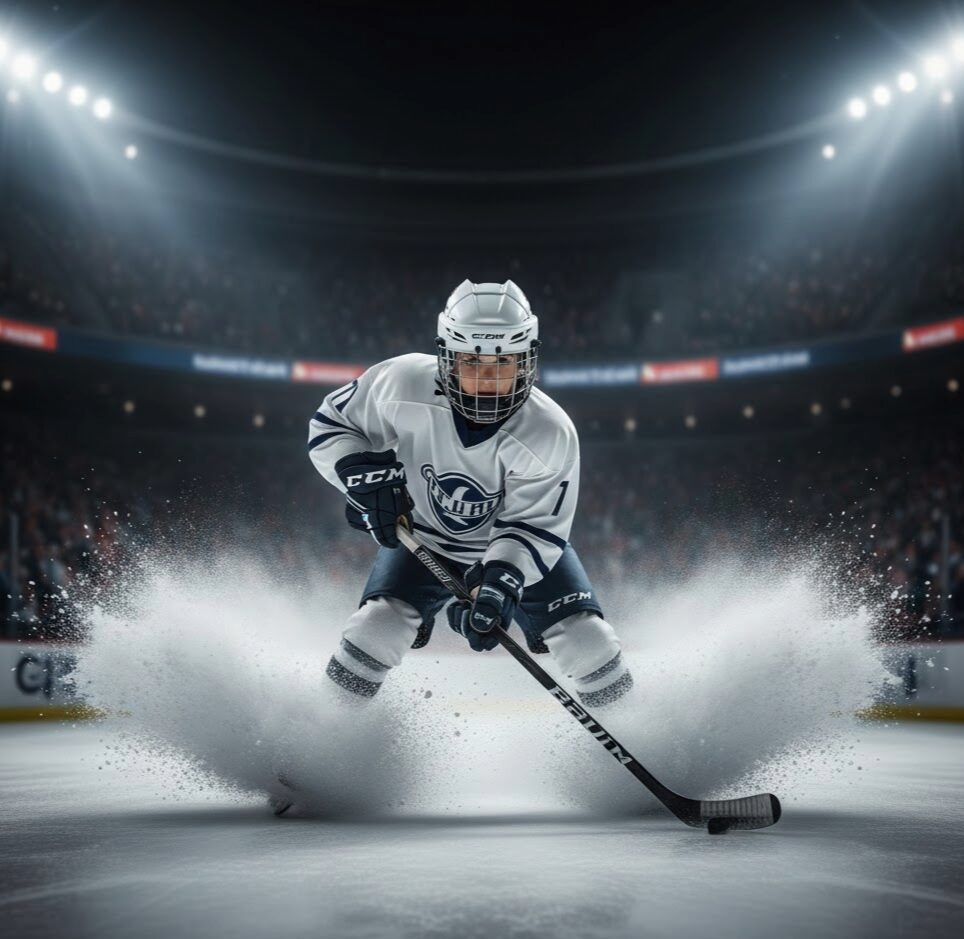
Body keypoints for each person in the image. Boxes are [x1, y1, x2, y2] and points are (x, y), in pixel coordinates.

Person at [308, 279, 633, 708]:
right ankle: (319, 735)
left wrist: (499, 583)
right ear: (445, 356)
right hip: (422, 538)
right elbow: (332, 427)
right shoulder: (401, 381)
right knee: (376, 629)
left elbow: (533, 528)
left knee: (590, 642)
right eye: (472, 363)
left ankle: (639, 731)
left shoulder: (550, 431)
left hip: (513, 550)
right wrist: (355, 474)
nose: (486, 381)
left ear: (527, 362)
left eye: (503, 365)